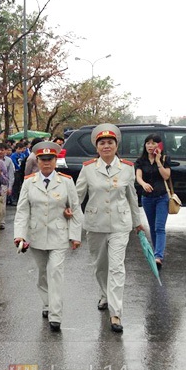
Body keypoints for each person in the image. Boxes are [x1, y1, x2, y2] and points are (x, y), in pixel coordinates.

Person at [75, 124, 144, 333]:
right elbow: (77, 196)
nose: (106, 146)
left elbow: (132, 197)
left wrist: (137, 221)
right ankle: (104, 295)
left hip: (120, 225)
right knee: (100, 266)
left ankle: (116, 313)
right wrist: (69, 217)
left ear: (116, 146)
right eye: (102, 143)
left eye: (110, 143)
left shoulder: (127, 168)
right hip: (95, 225)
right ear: (97, 147)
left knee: (116, 267)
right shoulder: (88, 168)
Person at [14, 142, 83, 331]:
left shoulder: (66, 181)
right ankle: (46, 303)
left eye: (50, 159)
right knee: (43, 273)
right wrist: (19, 235)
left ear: (55, 160)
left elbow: (75, 209)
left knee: (56, 272)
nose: (46, 163)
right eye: (42, 160)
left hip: (59, 234)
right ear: (37, 160)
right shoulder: (29, 182)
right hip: (36, 235)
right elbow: (22, 211)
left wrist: (75, 236)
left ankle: (55, 314)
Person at [135, 134, 171, 268]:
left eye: (154, 143)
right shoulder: (140, 161)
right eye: (148, 143)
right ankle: (157, 252)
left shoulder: (165, 159)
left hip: (162, 197)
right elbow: (138, 176)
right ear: (145, 145)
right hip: (147, 198)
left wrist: (158, 161)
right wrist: (143, 184)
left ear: (159, 145)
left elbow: (166, 176)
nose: (150, 146)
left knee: (159, 227)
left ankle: (158, 256)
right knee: (152, 227)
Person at [0, 143, 15, 230]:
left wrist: (10, 187)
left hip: (3, 185)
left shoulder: (9, 161)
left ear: (5, 151)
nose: (0, 152)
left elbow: (11, 175)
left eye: (2, 150)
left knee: (2, 204)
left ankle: (1, 222)